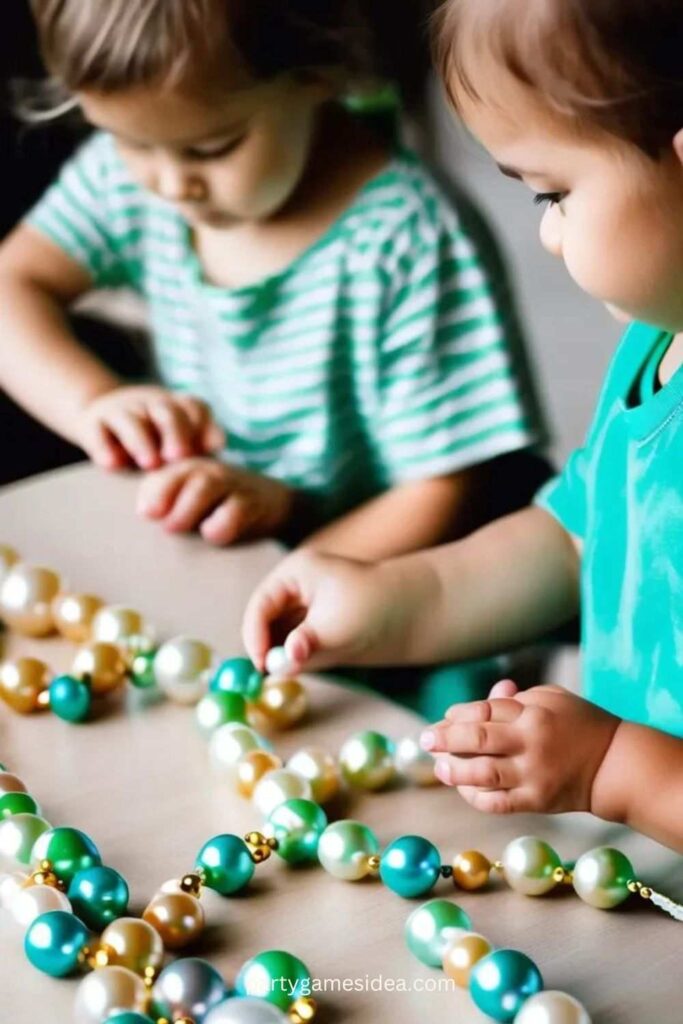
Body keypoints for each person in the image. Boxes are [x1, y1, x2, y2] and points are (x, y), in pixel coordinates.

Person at [243, 0, 683, 852]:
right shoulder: (657, 341)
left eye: (554, 193)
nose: (548, 236)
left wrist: (616, 771)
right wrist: (390, 599)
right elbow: (573, 542)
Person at [0, 0, 545, 560]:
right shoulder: (128, 180)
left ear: (318, 73)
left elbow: (448, 489)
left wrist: (286, 584)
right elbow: (12, 284)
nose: (168, 183)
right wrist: (94, 401)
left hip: (375, 589)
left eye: (212, 149)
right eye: (129, 142)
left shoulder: (408, 242)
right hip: (214, 554)